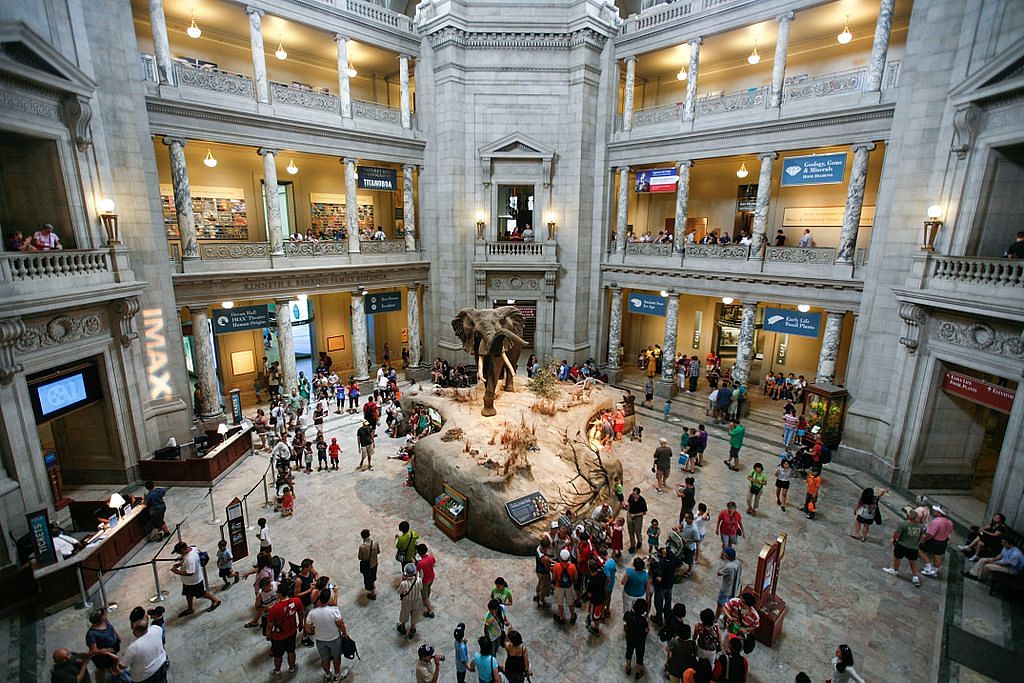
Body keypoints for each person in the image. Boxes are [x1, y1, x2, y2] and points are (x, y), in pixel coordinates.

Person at [306, 588, 350, 682]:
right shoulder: (333, 610)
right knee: (336, 656)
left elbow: (307, 628)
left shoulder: (312, 613)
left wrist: (314, 630)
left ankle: (327, 675)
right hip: (334, 638)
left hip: (320, 640)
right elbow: (340, 624)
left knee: (324, 658)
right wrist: (345, 633)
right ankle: (337, 675)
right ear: (328, 599)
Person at [170, 542, 221, 616]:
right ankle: (190, 609)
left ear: (183, 550)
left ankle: (215, 600)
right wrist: (181, 562)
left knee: (201, 593)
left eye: (179, 552)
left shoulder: (189, 559)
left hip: (194, 581)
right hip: (188, 582)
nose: (179, 554)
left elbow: (190, 572)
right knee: (188, 594)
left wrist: (177, 572)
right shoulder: (193, 548)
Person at [266, 581, 303, 676]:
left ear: (279, 594)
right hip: (292, 632)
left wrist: (268, 634)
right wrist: (301, 623)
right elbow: (300, 612)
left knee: (278, 655)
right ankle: (292, 668)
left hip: (278, 636)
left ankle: (277, 671)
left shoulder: (274, 609)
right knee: (291, 651)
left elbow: (270, 624)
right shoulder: (296, 601)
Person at [118, 615, 168, 683]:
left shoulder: (133, 648)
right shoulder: (156, 628)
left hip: (144, 677)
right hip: (161, 665)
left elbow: (122, 666)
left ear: (134, 630)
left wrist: (124, 656)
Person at [883, 509, 925, 587]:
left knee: (897, 558)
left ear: (908, 516)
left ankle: (895, 570)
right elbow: (921, 537)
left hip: (902, 545)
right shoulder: (920, 526)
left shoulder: (903, 524)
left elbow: (897, 534)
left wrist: (894, 540)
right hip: (913, 547)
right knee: (913, 561)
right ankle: (915, 576)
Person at [85, 608, 121, 682]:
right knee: (101, 670)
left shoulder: (105, 621)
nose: (106, 615)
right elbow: (94, 650)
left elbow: (112, 628)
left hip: (112, 649)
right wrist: (104, 651)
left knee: (112, 663)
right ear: (100, 618)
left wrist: (117, 636)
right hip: (102, 656)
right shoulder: (91, 634)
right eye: (104, 614)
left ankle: (111, 669)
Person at [919, 505, 953, 577]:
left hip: (934, 541)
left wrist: (923, 540)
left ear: (939, 513)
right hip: (943, 541)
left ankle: (928, 567)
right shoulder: (949, 522)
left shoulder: (936, 522)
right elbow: (949, 532)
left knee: (919, 550)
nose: (934, 511)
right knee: (937, 555)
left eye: (936, 511)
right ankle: (935, 570)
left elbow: (930, 534)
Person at [623, 598, 650, 679]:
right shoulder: (643, 620)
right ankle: (638, 671)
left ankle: (628, 667)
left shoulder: (628, 615)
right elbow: (646, 630)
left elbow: (624, 620)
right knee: (639, 655)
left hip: (630, 637)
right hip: (640, 640)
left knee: (629, 651)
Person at [551, 548, 578, 625]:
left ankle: (561, 617)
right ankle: (572, 616)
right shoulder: (572, 566)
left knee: (560, 603)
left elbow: (554, 578)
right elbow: (576, 577)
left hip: (559, 586)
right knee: (570, 602)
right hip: (569, 586)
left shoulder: (556, 566)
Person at [715, 548, 742, 620]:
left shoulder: (729, 566)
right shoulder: (738, 563)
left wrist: (722, 566)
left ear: (728, 556)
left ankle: (716, 619)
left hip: (726, 589)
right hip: (734, 587)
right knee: (729, 605)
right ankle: (724, 617)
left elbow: (719, 573)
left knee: (720, 605)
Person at [397, 563, 423, 638]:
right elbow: (421, 588)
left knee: (404, 613)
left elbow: (399, 591)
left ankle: (403, 627)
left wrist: (403, 580)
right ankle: (413, 628)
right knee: (415, 613)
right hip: (416, 600)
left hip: (406, 601)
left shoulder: (404, 583)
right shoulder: (419, 580)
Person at [357, 528, 380, 600]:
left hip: (367, 566)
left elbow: (360, 557)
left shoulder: (362, 547)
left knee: (368, 579)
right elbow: (378, 552)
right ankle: (373, 586)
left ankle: (372, 593)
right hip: (375, 563)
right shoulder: (375, 543)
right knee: (373, 576)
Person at [416, 543, 437, 619]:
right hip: (432, 577)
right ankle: (427, 597)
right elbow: (434, 562)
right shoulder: (431, 558)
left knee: (424, 597)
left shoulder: (420, 563)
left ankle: (430, 611)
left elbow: (417, 570)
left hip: (425, 580)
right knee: (429, 588)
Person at [626, 487, 648, 554]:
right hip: (630, 515)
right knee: (630, 532)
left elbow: (644, 512)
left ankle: (639, 541)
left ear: (638, 494)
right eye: (633, 493)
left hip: (638, 517)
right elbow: (629, 504)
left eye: (635, 494)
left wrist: (635, 515)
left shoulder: (642, 501)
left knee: (637, 531)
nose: (633, 495)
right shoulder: (631, 496)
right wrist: (628, 512)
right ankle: (632, 545)